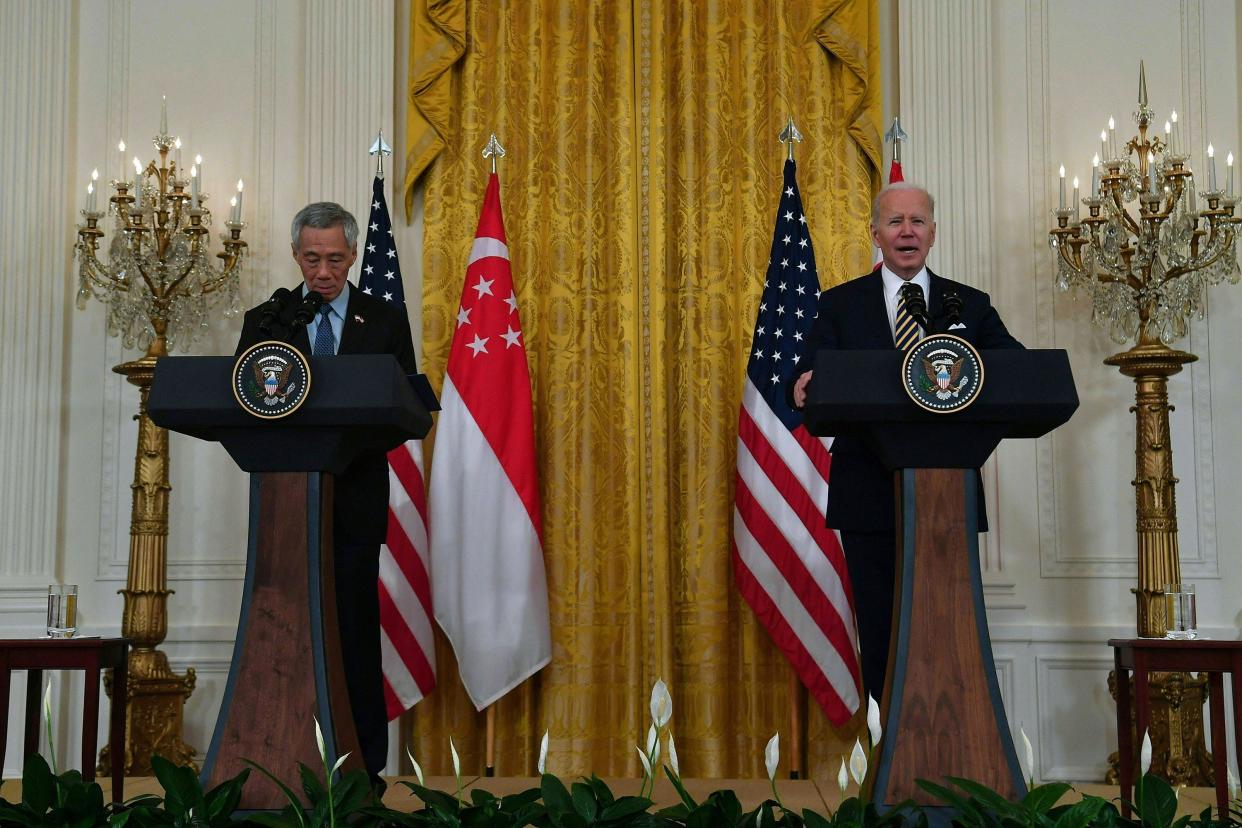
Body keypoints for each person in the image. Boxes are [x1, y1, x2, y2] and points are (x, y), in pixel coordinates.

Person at [791, 182, 1023, 699]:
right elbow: (809, 374)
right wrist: (804, 382)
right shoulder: (840, 306)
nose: (907, 231)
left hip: (948, 498)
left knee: (948, 633)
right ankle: (884, 764)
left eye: (917, 221)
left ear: (933, 234)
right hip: (867, 497)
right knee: (881, 636)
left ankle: (953, 760)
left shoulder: (971, 305)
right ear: (875, 233)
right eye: (895, 222)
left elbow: (1015, 371)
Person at [236, 202, 417, 779]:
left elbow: (409, 409)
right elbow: (244, 404)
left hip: (354, 505)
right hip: (282, 512)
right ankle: (277, 767)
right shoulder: (267, 320)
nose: (322, 271)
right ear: (296, 255)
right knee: (279, 640)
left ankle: (362, 772)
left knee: (354, 643)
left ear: (353, 255)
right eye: (311, 258)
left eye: (335, 259)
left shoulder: (383, 321)